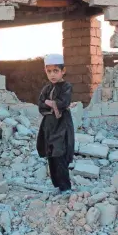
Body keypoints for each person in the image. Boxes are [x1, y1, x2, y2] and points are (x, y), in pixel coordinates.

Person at [36, 53, 75, 193]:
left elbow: (63, 103)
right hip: (49, 127)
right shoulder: (46, 88)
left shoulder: (66, 86)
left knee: (60, 154)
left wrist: (50, 103)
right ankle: (57, 186)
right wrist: (50, 104)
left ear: (63, 71)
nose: (52, 74)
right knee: (51, 155)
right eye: (49, 71)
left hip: (62, 126)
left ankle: (66, 187)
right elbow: (40, 105)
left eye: (56, 71)